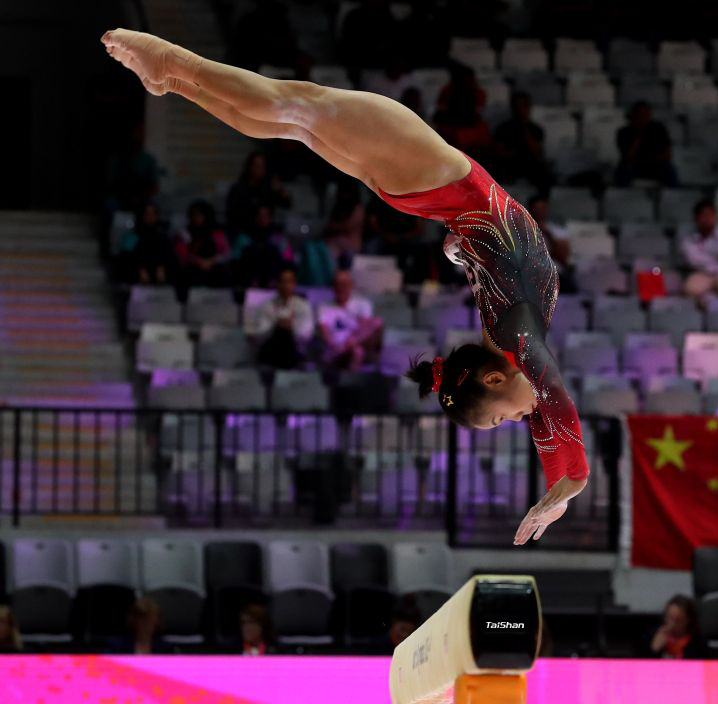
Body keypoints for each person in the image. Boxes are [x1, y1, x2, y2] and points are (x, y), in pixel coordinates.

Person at [103, 28, 591, 545]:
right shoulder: (515, 336)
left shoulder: (515, 333)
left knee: (293, 108)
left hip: (434, 180)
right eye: (502, 422)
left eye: (502, 421)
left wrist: (565, 479)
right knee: (288, 119)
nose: (519, 420)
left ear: (492, 378)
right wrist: (568, 479)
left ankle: (174, 68)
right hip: (429, 186)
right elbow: (549, 397)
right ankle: (174, 74)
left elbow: (544, 398)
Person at [318, 269, 384, 372]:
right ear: (333, 287)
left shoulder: (363, 304)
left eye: (344, 284)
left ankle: (346, 351)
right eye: (338, 284)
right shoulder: (324, 307)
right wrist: (333, 345)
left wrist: (349, 343)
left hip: (356, 342)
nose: (341, 288)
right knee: (358, 352)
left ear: (351, 286)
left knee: (377, 322)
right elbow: (324, 332)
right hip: (335, 346)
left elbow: (364, 328)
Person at [250, 266, 315, 369]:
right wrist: (276, 326)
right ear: (277, 284)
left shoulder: (303, 306)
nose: (285, 286)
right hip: (271, 350)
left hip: (294, 351)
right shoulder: (266, 306)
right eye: (282, 281)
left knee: (287, 335)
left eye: (289, 282)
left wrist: (291, 327)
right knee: (279, 332)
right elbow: (260, 335)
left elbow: (306, 335)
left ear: (294, 284)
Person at [681, 200, 718, 307]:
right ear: (696, 219)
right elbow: (694, 261)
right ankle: (710, 298)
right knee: (690, 289)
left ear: (715, 217)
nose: (707, 219)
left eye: (710, 215)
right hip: (702, 275)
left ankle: (711, 298)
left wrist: (705, 256)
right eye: (703, 215)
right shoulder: (689, 240)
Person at [225, 151, 290, 238]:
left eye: (263, 166)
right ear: (249, 167)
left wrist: (280, 190)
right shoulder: (238, 189)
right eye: (257, 166)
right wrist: (255, 215)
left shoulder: (268, 188)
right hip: (244, 233)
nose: (260, 169)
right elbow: (233, 214)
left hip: (267, 233)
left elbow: (286, 204)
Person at [493, 91, 550, 189]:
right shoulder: (503, 129)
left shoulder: (536, 130)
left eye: (523, 106)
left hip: (530, 164)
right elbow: (498, 152)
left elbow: (537, 153)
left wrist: (525, 130)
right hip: (509, 165)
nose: (520, 110)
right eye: (517, 106)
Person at [614, 101, 676, 186]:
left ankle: (674, 193)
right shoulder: (624, 132)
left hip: (655, 165)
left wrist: (651, 159)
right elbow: (628, 157)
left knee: (668, 169)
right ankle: (621, 192)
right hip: (634, 165)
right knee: (624, 170)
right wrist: (639, 133)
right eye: (640, 115)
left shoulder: (659, 129)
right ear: (634, 115)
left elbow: (667, 154)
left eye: (646, 114)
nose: (643, 117)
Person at [234, 204, 295, 288]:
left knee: (271, 250)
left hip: (273, 279)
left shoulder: (278, 237)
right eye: (259, 215)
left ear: (270, 218)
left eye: (265, 216)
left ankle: (272, 282)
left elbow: (288, 260)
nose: (262, 219)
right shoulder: (244, 237)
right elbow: (236, 259)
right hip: (250, 280)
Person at [174, 199, 231, 287]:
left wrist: (211, 261)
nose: (197, 218)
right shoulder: (185, 233)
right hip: (194, 267)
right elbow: (183, 254)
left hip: (214, 265)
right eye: (194, 215)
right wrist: (199, 261)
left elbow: (226, 253)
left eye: (200, 215)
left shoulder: (217, 232)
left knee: (222, 271)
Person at [526, 195, 576, 294]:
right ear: (530, 210)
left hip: (555, 274)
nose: (539, 212)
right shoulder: (521, 231)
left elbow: (563, 258)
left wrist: (548, 235)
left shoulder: (559, 232)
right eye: (536, 208)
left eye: (542, 208)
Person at [115, 201, 174, 284]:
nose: (150, 217)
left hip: (159, 273)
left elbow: (168, 254)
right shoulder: (132, 234)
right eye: (147, 214)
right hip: (137, 273)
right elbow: (126, 256)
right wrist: (140, 269)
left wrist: (161, 268)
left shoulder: (162, 234)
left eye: (153, 214)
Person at [322, 181, 365, 268]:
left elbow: (349, 226)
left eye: (346, 192)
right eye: (342, 192)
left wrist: (332, 227)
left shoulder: (358, 208)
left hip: (351, 245)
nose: (344, 195)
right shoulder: (339, 207)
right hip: (336, 244)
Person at [649, 595, 705, 660]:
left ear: (688, 620)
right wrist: (654, 650)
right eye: (669, 617)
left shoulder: (697, 642)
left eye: (678, 620)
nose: (672, 624)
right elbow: (642, 662)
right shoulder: (652, 635)